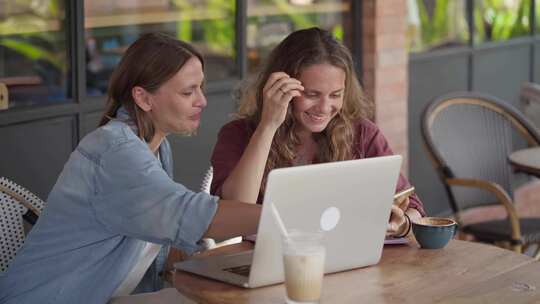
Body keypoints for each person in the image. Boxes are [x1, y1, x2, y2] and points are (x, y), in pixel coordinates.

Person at [0, 33, 260, 304]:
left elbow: (158, 235)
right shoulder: (115, 151)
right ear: (144, 98)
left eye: (201, 87)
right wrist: (280, 217)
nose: (202, 100)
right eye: (188, 91)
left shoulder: (154, 146)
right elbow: (186, 213)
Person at [210, 27, 424, 238]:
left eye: (335, 95)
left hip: (345, 259)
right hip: (263, 261)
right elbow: (234, 209)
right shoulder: (237, 135)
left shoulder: (362, 133)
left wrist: (403, 224)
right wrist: (268, 126)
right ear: (281, 88)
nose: (324, 108)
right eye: (312, 94)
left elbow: (413, 207)